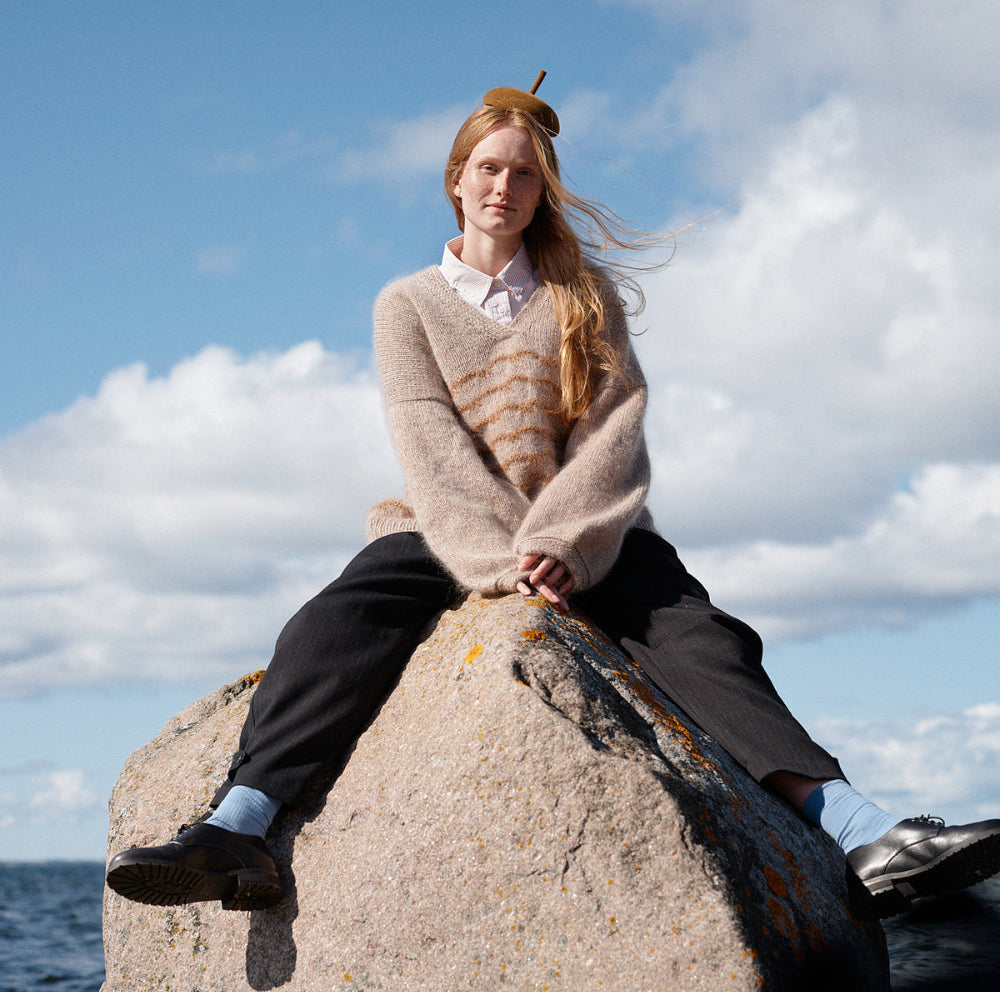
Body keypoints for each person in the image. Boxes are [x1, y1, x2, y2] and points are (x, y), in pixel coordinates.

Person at [106, 76, 1000, 921]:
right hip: (443, 529)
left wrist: (567, 546)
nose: (504, 185)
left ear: (541, 191)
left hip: (586, 528)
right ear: (457, 182)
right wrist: (504, 566)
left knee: (701, 637)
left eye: (523, 173)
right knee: (332, 623)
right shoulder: (406, 304)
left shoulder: (582, 295)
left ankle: (860, 830)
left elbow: (615, 429)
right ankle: (239, 827)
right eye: (488, 168)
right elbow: (430, 445)